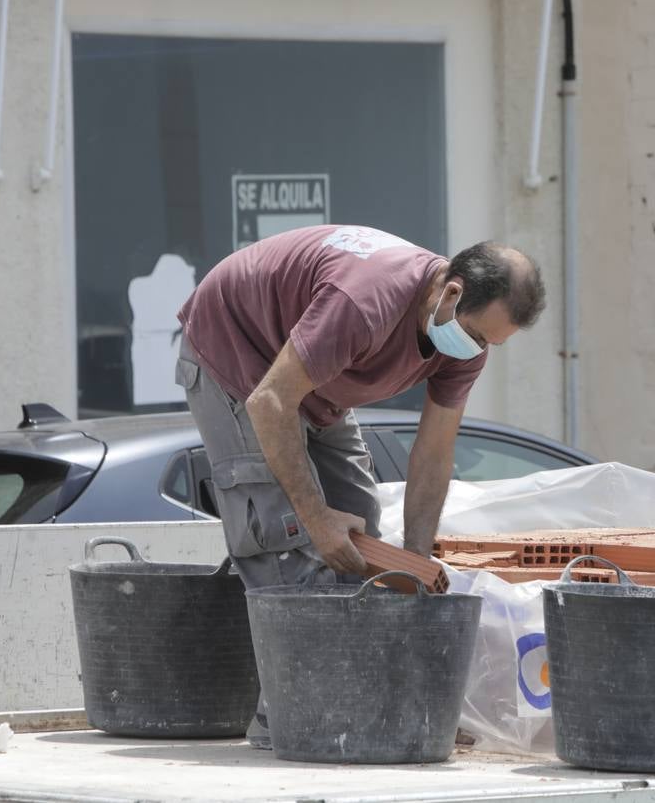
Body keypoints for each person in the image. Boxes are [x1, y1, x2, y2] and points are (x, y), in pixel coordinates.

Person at [174, 224, 545, 747]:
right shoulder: (366, 299)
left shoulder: (463, 345)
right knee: (285, 536)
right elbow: (270, 401)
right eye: (479, 334)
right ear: (452, 290)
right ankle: (289, 717)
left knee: (360, 541)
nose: (478, 350)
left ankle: (363, 699)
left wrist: (414, 566)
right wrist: (314, 517)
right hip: (239, 356)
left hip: (313, 379)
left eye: (491, 344)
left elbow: (434, 452)